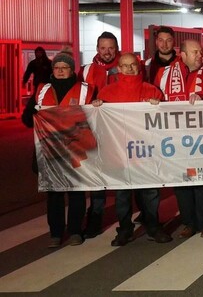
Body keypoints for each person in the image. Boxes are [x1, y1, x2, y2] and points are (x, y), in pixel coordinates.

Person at [91, 53, 172, 246]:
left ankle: (152, 226)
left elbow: (164, 122)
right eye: (125, 66)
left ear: (139, 66)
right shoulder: (106, 93)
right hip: (119, 152)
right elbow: (97, 123)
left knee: (150, 192)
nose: (129, 69)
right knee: (122, 195)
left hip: (146, 151)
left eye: (133, 65)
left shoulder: (152, 91)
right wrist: (96, 107)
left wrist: (159, 106)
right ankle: (125, 229)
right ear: (118, 69)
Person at [22, 51, 95, 248]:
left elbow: (97, 119)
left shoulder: (86, 90)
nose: (60, 71)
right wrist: (34, 113)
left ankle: (75, 232)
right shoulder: (41, 90)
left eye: (65, 68)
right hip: (49, 151)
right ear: (52, 70)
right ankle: (55, 233)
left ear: (72, 70)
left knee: (76, 192)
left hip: (75, 150)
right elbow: (26, 119)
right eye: (57, 68)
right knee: (53, 193)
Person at [155, 39, 203, 239]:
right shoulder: (164, 74)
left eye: (201, 52)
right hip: (176, 139)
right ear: (182, 55)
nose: (200, 55)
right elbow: (156, 96)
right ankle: (188, 222)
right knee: (183, 183)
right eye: (195, 52)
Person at [80, 31, 122, 237]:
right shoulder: (86, 70)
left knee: (128, 173)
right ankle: (94, 218)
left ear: (117, 48)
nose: (107, 52)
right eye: (103, 48)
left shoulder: (126, 67)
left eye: (111, 48)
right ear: (97, 49)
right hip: (96, 131)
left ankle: (137, 217)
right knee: (97, 176)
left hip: (121, 130)